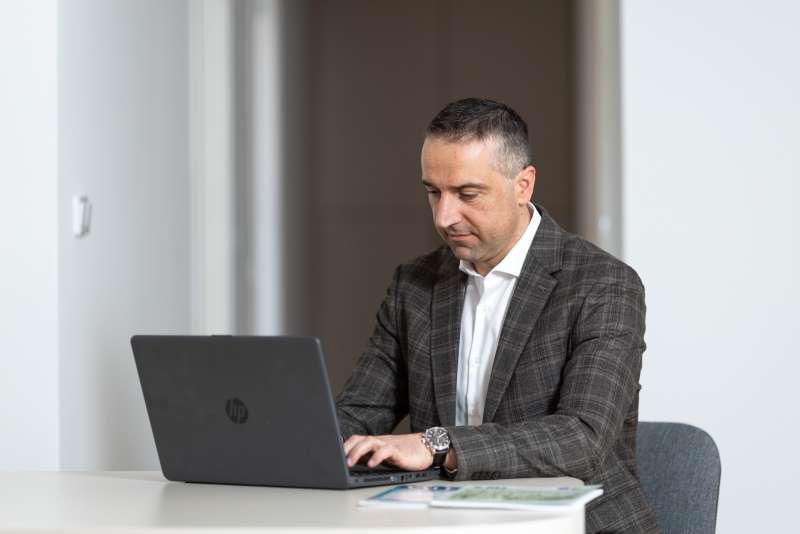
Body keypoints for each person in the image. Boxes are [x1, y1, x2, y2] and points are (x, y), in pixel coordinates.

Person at [335, 98, 659, 534]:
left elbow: (582, 438)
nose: (445, 216)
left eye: (467, 194)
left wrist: (436, 445)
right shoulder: (414, 284)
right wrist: (294, 443)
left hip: (573, 525)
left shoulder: (603, 284)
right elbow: (359, 412)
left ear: (523, 185)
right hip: (446, 522)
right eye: (433, 192)